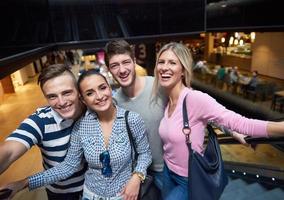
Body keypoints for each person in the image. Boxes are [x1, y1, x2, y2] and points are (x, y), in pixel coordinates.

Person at [151, 42, 284, 200]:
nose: (164, 67)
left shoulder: (195, 99)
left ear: (183, 70)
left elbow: (242, 123)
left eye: (172, 62)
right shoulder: (166, 99)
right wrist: (230, 132)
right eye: (161, 61)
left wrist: (280, 127)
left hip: (189, 179)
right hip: (168, 171)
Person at [1, 69, 152, 200]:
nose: (99, 96)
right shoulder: (81, 125)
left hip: (124, 194)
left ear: (110, 88)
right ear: (83, 99)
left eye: (102, 88)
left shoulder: (131, 119)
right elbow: (68, 166)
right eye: (90, 93)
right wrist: (24, 183)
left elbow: (145, 153)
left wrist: (137, 177)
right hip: (89, 194)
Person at [0, 64, 87, 200]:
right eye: (52, 96)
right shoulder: (40, 121)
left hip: (93, 188)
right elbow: (9, 151)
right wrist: (23, 183)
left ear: (78, 91)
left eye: (67, 92)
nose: (62, 102)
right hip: (60, 193)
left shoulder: (92, 111)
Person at [104, 39, 167, 193]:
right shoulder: (114, 103)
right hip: (138, 174)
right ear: (109, 70)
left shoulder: (158, 86)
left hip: (168, 171)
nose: (122, 70)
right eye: (114, 65)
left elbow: (192, 104)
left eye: (126, 62)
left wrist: (232, 129)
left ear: (134, 61)